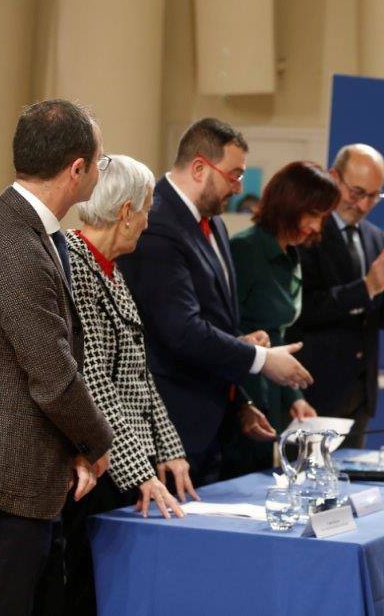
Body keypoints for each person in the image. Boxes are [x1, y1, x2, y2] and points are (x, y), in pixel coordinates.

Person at [0, 99, 114, 616]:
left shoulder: (30, 229)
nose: (100, 173)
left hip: (23, 476)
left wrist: (76, 450)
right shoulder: (13, 242)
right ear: (77, 168)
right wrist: (97, 443)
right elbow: (53, 375)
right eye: (99, 162)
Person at [117, 118, 313, 486]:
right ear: (199, 168)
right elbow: (181, 331)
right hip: (170, 430)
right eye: (233, 176)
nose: (238, 188)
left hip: (213, 428)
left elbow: (218, 326)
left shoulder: (215, 225)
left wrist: (240, 403)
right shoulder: (157, 222)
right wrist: (263, 360)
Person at [61, 154, 200, 615]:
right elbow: (95, 382)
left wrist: (170, 449)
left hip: (125, 463)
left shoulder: (111, 271)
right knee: (87, 591)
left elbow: (139, 376)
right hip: (101, 467)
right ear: (126, 212)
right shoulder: (76, 267)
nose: (147, 221)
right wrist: (138, 470)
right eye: (146, 210)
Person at [288, 144, 384, 448]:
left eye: (374, 196)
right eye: (357, 193)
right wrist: (366, 287)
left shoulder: (375, 237)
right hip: (314, 392)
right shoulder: (307, 232)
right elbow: (304, 308)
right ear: (333, 178)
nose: (363, 205)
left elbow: (378, 318)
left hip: (359, 395)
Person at [223, 161, 341, 477]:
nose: (317, 227)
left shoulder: (291, 255)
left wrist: (295, 398)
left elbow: (280, 337)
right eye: (313, 215)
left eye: (323, 218)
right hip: (239, 399)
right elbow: (222, 330)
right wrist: (243, 403)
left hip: (272, 396)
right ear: (290, 205)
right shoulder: (245, 249)